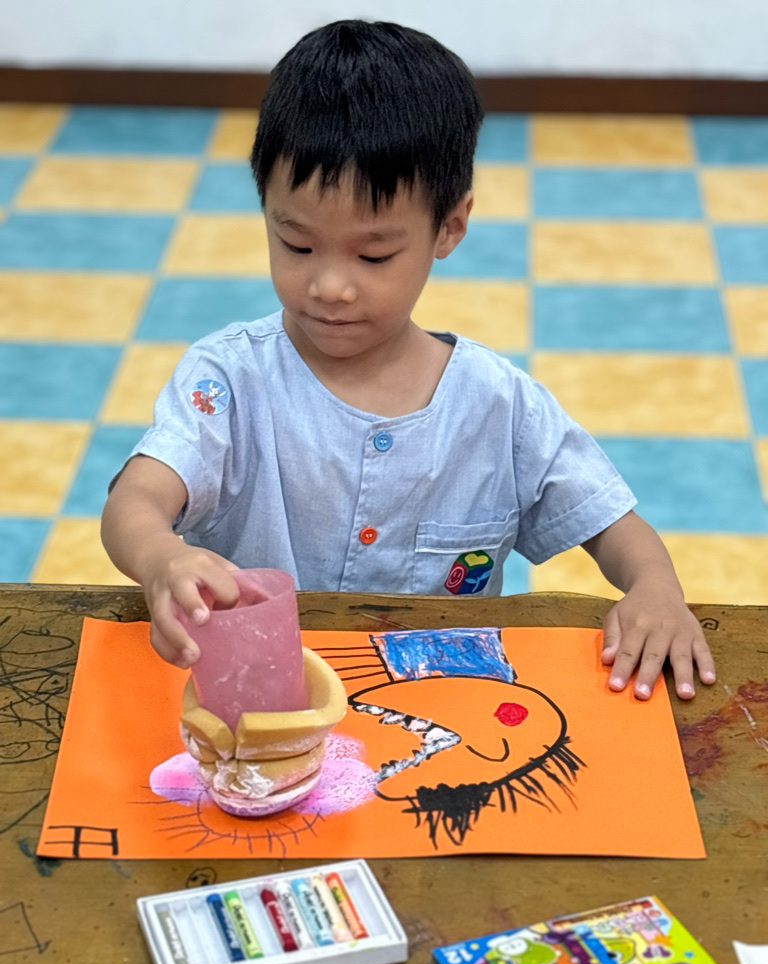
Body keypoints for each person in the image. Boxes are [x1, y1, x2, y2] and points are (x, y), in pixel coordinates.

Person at [101, 19, 715, 702]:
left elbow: (615, 526)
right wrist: (162, 558)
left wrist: (656, 588)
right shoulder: (229, 380)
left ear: (449, 227)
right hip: (255, 702)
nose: (330, 285)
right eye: (297, 245)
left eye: (374, 256)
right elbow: (136, 500)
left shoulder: (499, 406)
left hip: (437, 706)